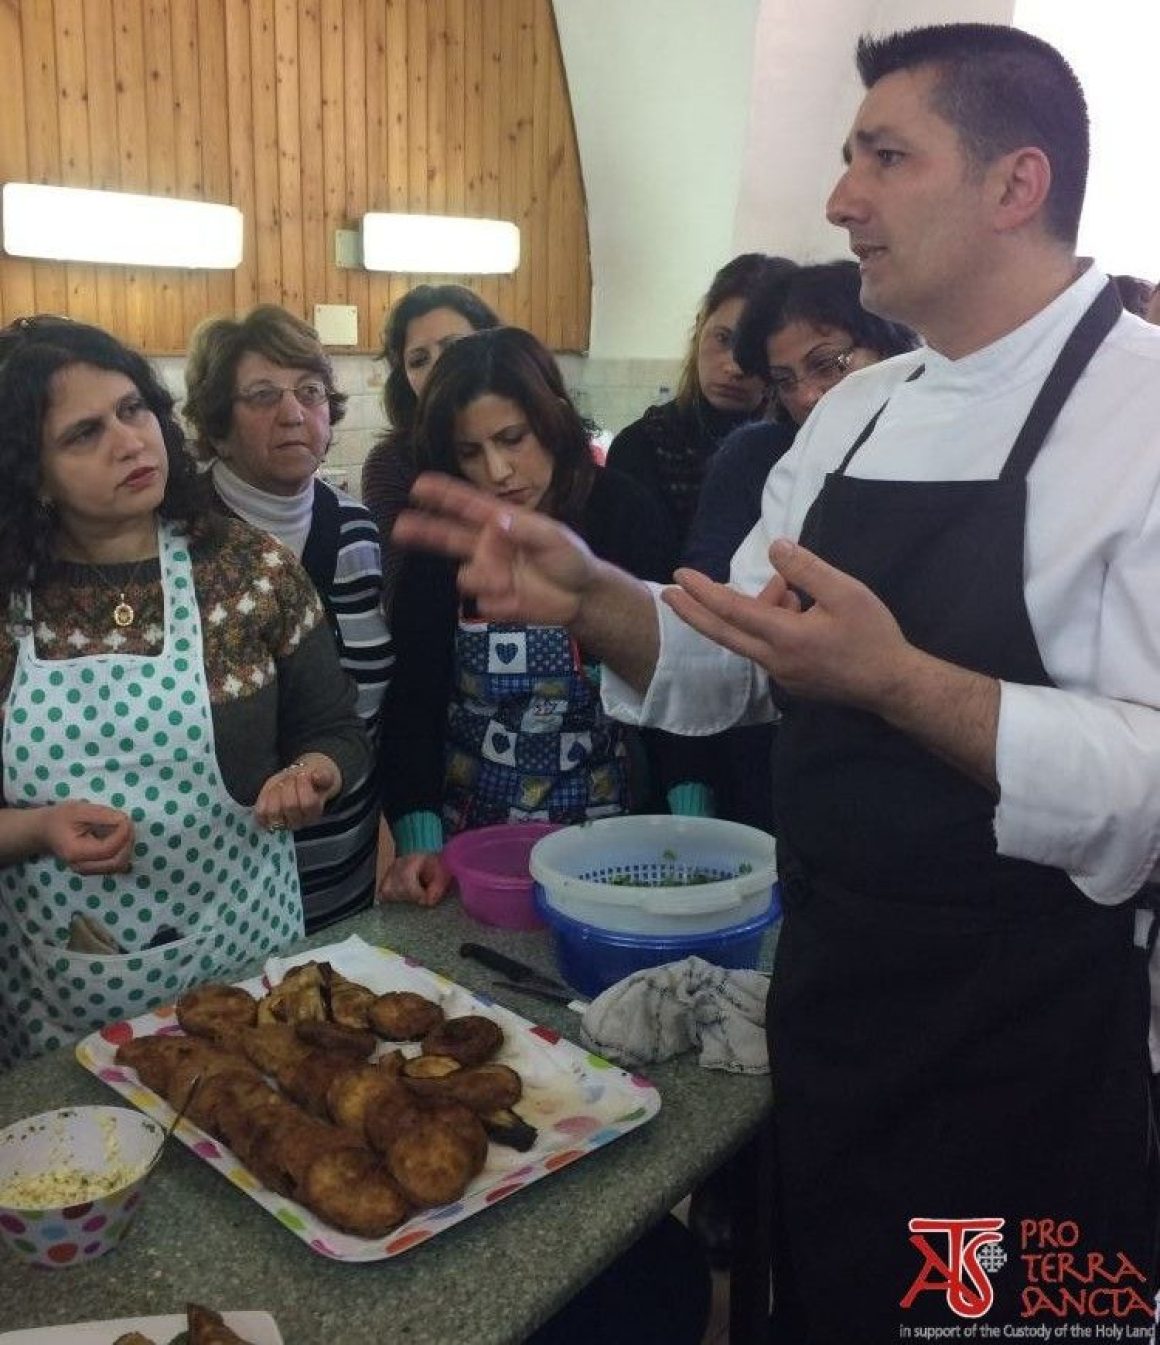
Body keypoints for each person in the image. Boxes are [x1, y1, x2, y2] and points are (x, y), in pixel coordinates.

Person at [394, 23, 1160, 1340]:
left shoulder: (1141, 418)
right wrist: (607, 606)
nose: (838, 198)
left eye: (884, 156)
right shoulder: (860, 411)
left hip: (1035, 1043)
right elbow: (736, 651)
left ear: (1015, 184)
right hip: (838, 997)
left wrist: (902, 683)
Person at [0, 317, 369, 1068]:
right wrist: (38, 831)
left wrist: (314, 775)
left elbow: (337, 732)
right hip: (65, 993)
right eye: (83, 434)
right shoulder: (8, 605)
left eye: (134, 409)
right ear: (32, 475)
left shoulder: (249, 571)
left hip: (248, 965)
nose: (130, 441)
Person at [377, 326, 675, 907]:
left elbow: (676, 678)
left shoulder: (623, 512)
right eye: (470, 452)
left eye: (512, 439)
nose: (497, 472)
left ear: (553, 419)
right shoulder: (445, 544)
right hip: (474, 845)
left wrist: (688, 812)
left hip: (614, 840)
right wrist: (420, 840)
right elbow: (414, 703)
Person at [182, 305, 392, 931]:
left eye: (310, 392)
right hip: (216, 888)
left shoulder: (355, 528)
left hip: (344, 871)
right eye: (262, 396)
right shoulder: (178, 538)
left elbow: (371, 704)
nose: (294, 413)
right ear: (216, 426)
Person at [685, 259, 919, 580]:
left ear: (887, 348)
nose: (806, 396)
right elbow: (711, 584)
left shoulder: (936, 440)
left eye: (826, 365)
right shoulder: (757, 455)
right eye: (784, 381)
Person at [605, 252, 789, 562]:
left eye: (755, 348)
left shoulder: (796, 447)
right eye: (723, 338)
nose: (734, 366)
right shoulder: (639, 448)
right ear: (699, 328)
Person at [362, 284, 501, 617]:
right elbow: (401, 602)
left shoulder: (541, 441)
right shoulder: (391, 464)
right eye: (418, 360)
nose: (439, 366)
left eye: (454, 346)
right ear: (404, 378)